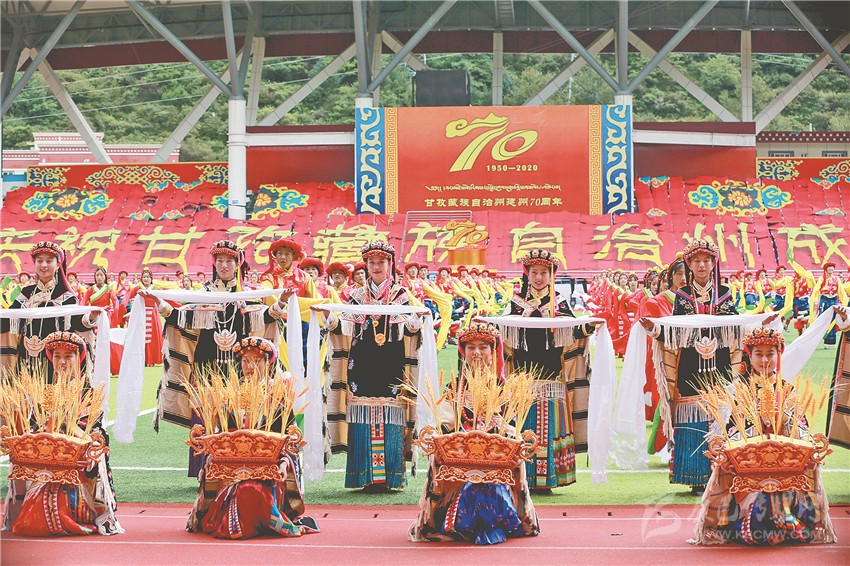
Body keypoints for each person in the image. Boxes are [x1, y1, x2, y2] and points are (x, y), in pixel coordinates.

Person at [142, 240, 292, 477]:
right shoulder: (203, 295)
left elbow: (266, 318)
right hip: (206, 368)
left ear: (237, 264)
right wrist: (158, 302)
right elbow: (179, 318)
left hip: (239, 370)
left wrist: (282, 301)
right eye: (220, 261)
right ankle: (205, 472)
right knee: (206, 420)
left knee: (236, 420)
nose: (224, 265)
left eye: (229, 261)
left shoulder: (247, 295)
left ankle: (236, 466)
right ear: (214, 263)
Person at [691, 327, 837, 545]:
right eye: (759, 354)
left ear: (779, 355)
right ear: (749, 356)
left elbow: (800, 428)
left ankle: (778, 523)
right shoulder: (736, 389)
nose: (765, 360)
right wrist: (733, 453)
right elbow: (725, 432)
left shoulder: (787, 390)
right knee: (762, 522)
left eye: (771, 354)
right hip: (746, 470)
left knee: (781, 516)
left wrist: (806, 449)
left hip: (784, 469)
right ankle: (753, 524)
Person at [409, 322, 539, 544]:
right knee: (438, 457)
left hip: (496, 455)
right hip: (460, 453)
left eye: (483, 347)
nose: (477, 352)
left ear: (492, 351)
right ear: (464, 352)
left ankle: (507, 517)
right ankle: (446, 520)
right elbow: (446, 424)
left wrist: (499, 434)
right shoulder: (454, 387)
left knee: (514, 459)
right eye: (471, 347)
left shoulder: (504, 388)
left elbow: (512, 426)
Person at [639, 240, 752, 494]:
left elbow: (736, 327)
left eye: (706, 261)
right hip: (691, 365)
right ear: (690, 265)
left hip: (720, 364)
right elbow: (675, 331)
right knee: (692, 415)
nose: (702, 265)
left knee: (721, 414)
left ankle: (721, 474)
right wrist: (654, 329)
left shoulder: (724, 294)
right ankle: (695, 476)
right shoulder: (683, 296)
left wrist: (761, 323)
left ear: (713, 264)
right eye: (697, 261)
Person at [186, 337, 318, 539]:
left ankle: (260, 521)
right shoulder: (231, 394)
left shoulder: (277, 395)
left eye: (256, 361)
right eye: (245, 361)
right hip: (233, 470)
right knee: (240, 488)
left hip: (268, 472)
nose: (250, 366)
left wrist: (284, 463)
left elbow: (289, 439)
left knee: (252, 489)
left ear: (267, 363)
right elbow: (221, 434)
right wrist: (214, 455)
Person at [322, 241, 423, 492]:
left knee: (392, 416)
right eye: (371, 262)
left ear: (390, 264)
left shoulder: (401, 295)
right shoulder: (356, 296)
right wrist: (328, 317)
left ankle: (390, 478)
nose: (376, 267)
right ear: (366, 265)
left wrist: (416, 321)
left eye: (381, 262)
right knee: (361, 417)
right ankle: (363, 476)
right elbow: (345, 327)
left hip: (391, 363)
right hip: (362, 364)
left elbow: (409, 330)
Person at [2, 331, 121, 536]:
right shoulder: (42, 392)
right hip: (44, 463)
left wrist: (86, 452)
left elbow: (94, 431)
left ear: (79, 358)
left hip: (75, 464)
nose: (62, 362)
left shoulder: (88, 393)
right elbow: (32, 427)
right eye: (57, 356)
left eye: (68, 356)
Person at [501, 249, 601, 492]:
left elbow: (573, 331)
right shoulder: (515, 303)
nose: (539, 277)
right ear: (527, 274)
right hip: (522, 379)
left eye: (544, 273)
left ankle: (548, 479)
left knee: (549, 429)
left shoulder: (559, 302)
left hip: (552, 378)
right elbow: (502, 333)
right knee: (524, 427)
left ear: (551, 275)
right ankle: (523, 476)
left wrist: (588, 326)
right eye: (534, 272)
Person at [0, 241, 97, 377]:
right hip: (26, 357)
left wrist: (91, 316)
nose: (43, 265)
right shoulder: (26, 293)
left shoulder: (66, 296)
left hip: (55, 358)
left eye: (49, 261)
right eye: (39, 261)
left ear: (58, 264)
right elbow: (8, 321)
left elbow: (77, 323)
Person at [119, 267, 164, 366]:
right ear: (141, 278)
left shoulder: (156, 289)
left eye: (148, 277)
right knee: (140, 336)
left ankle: (151, 359)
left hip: (152, 314)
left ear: (151, 278)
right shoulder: (137, 288)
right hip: (140, 314)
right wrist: (122, 308)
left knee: (152, 337)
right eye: (144, 277)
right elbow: (127, 296)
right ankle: (140, 359)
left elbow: (165, 298)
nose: (146, 279)